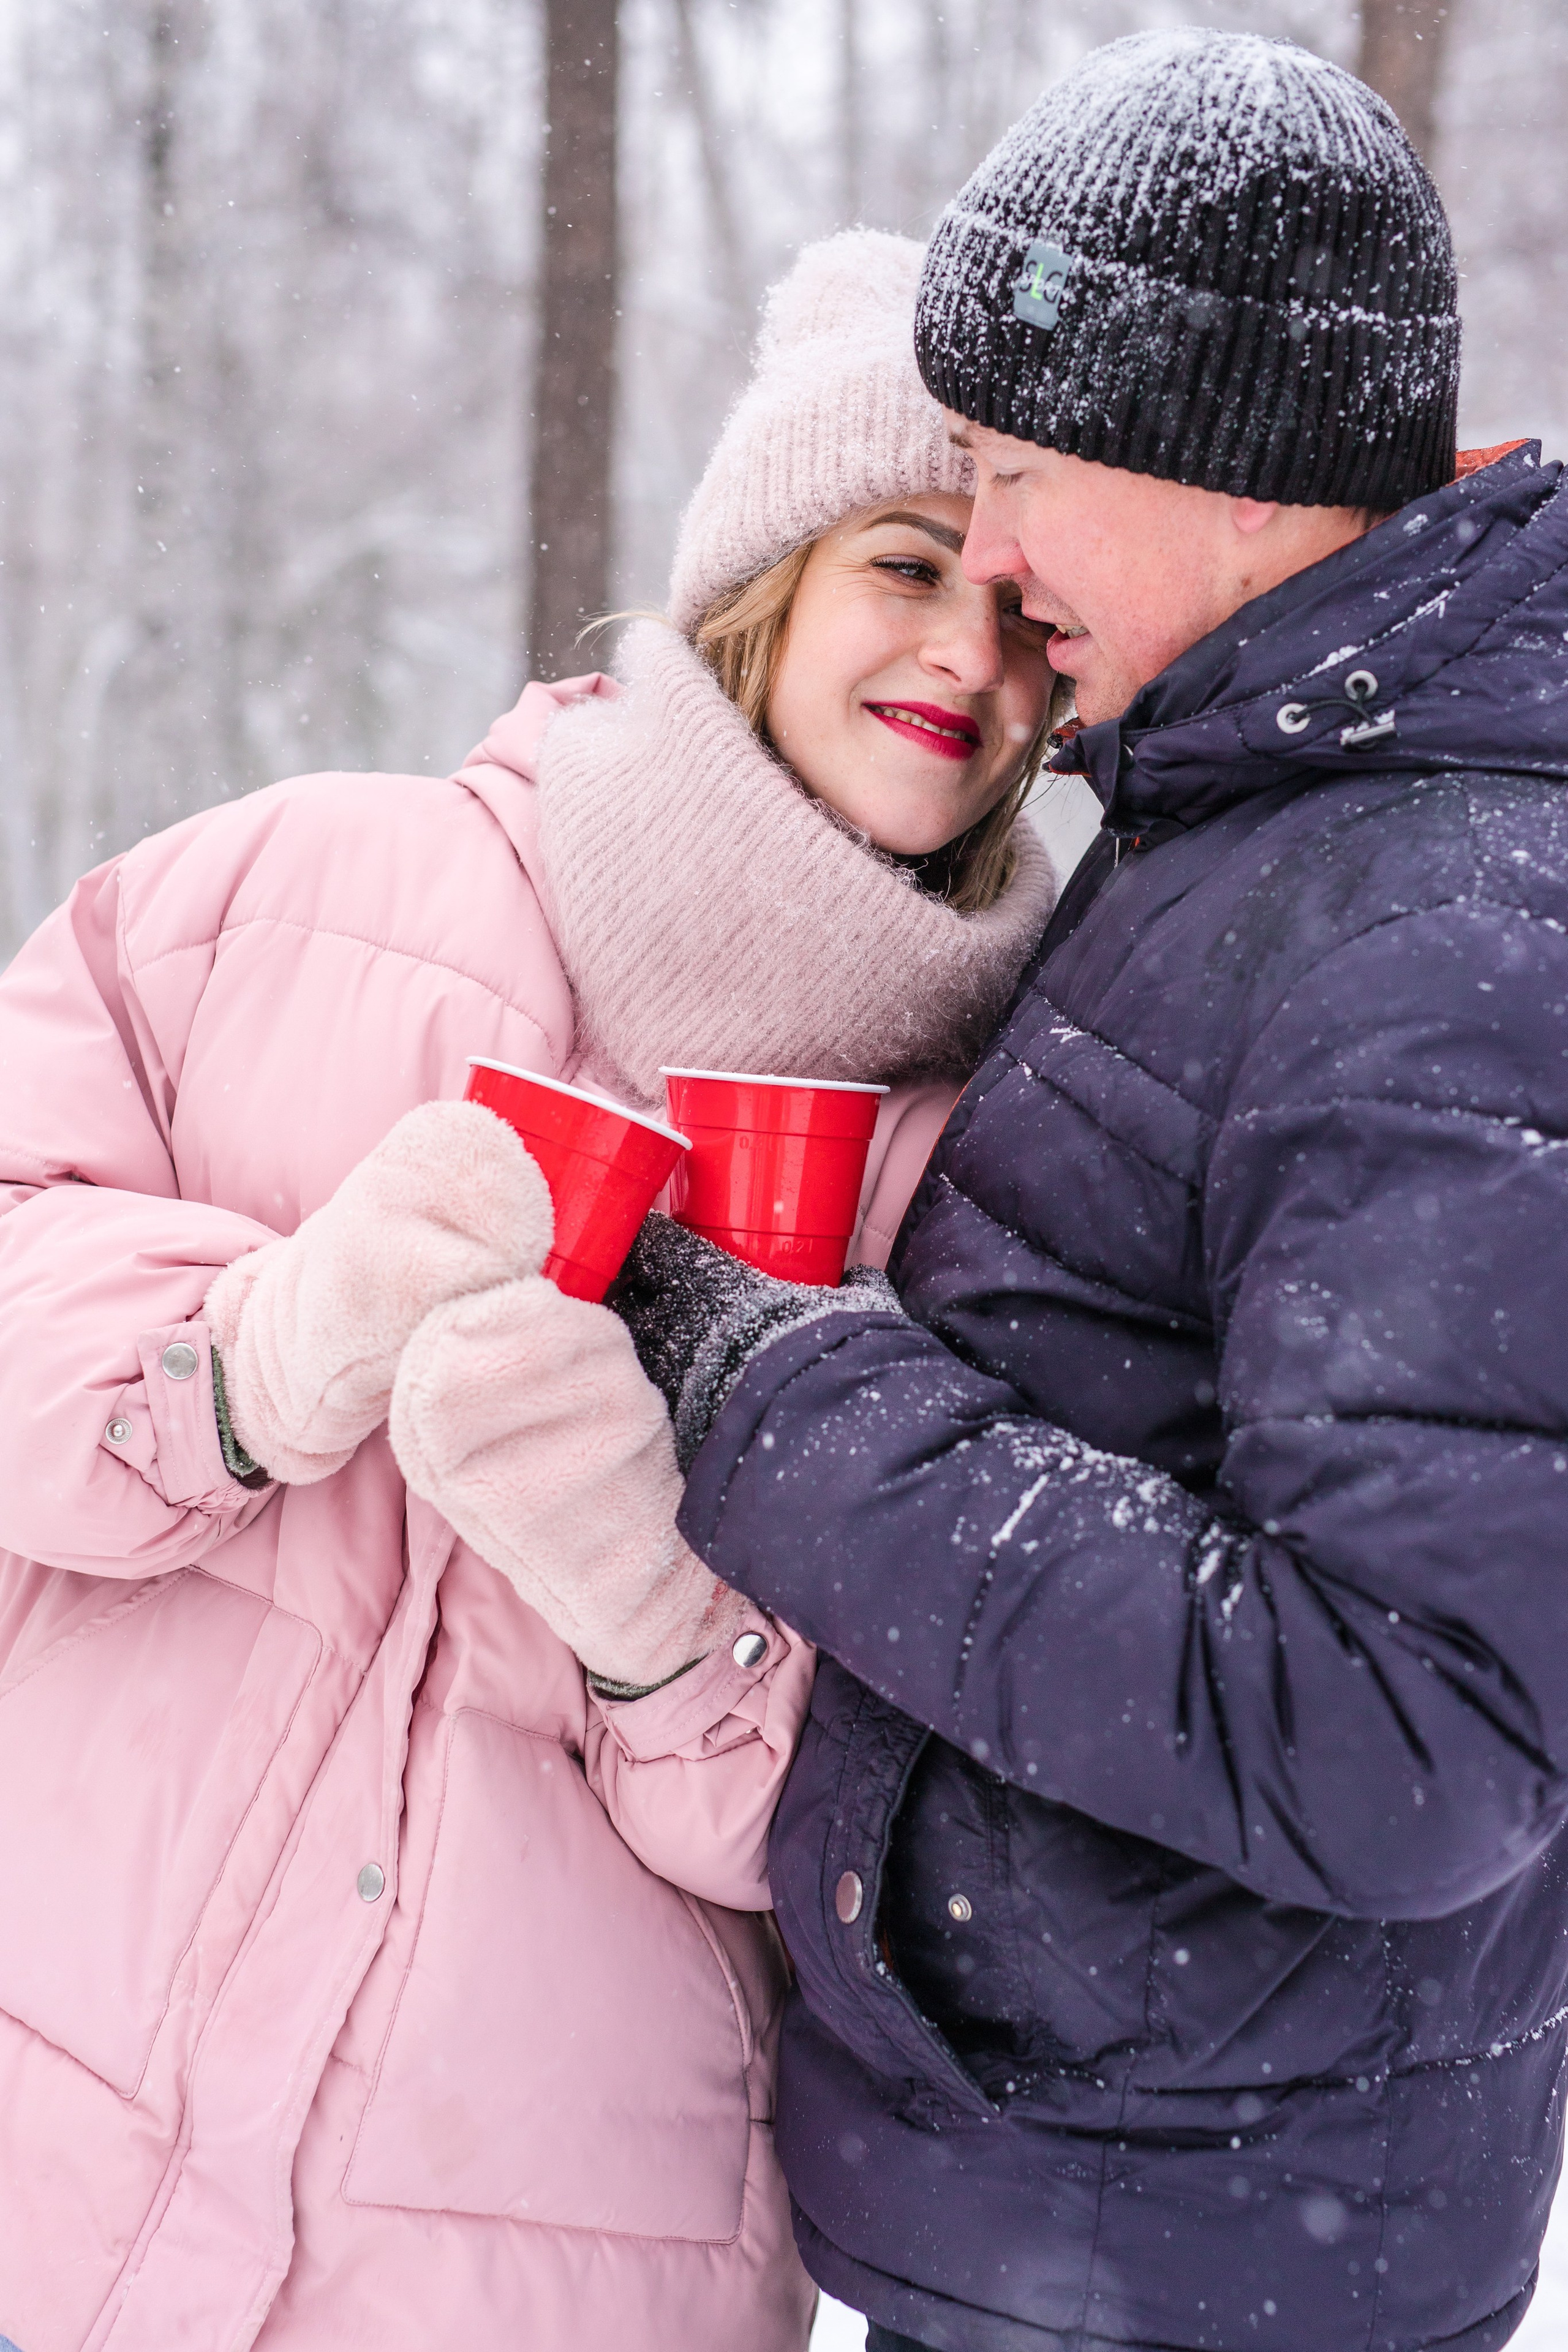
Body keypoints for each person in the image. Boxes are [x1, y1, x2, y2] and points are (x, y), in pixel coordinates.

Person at [585, 30, 1568, 2352]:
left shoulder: (1437, 926)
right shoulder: (1272, 819)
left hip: (1199, 2261)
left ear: (1213, 458)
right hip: (1143, 2207)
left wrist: (777, 1397)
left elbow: (1415, 1737)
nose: (993, 560)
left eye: (1017, 475)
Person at [0, 231, 1058, 2352]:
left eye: (1034, 617)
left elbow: (901, 1842)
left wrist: (658, 1621)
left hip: (540, 2271)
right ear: (768, 569)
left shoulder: (1003, 1165)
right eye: (909, 564)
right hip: (48, 2136)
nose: (970, 653)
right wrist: (247, 1362)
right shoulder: (298, 884)